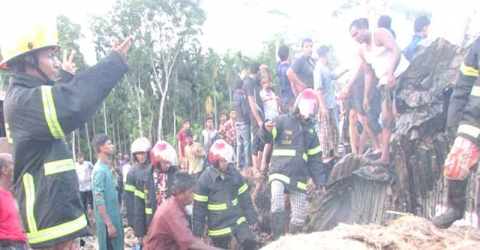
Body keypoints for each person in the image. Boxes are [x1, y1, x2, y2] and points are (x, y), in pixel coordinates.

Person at [0, 18, 131, 248]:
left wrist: (65, 79)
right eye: (50, 56)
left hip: (55, 216)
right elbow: (72, 105)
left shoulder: (26, 95)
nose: (55, 63)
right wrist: (113, 63)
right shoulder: (21, 100)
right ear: (30, 59)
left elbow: (63, 104)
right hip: (50, 218)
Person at [260, 89, 328, 239]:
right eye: (305, 109)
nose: (306, 114)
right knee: (277, 202)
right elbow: (266, 137)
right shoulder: (282, 121)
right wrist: (265, 128)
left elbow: (315, 159)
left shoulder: (311, 132)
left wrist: (320, 181)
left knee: (300, 216)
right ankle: (277, 239)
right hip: (279, 171)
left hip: (298, 177)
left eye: (310, 111)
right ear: (298, 106)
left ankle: (287, 240)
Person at [432, 38, 480, 229]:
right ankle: (455, 209)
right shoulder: (477, 46)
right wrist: (454, 123)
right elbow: (462, 86)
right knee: (455, 164)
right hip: (473, 118)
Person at [349, 18, 410, 164]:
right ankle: (385, 156)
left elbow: (396, 49)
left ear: (364, 28)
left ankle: (403, 150)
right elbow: (369, 73)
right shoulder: (362, 51)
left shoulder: (379, 34)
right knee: (386, 119)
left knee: (398, 112)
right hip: (383, 82)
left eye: (356, 34)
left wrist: (391, 73)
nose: (355, 38)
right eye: (353, 36)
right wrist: (366, 96)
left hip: (400, 75)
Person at [193, 140, 257, 250]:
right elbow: (199, 209)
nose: (226, 163)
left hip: (237, 220)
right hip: (218, 226)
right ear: (214, 161)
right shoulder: (204, 179)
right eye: (223, 160)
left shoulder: (234, 173)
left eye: (227, 160)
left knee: (249, 241)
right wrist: (197, 234)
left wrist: (252, 218)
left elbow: (245, 198)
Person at [143, 172, 222, 250]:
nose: (193, 195)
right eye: (190, 192)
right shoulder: (173, 211)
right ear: (180, 193)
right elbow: (187, 241)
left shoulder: (173, 204)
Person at [133, 141, 180, 246]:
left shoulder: (177, 175)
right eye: (165, 162)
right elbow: (138, 206)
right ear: (156, 162)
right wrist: (139, 231)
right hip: (153, 226)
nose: (168, 165)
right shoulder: (143, 177)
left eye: (169, 162)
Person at [314, 46, 349, 162]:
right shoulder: (318, 69)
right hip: (324, 106)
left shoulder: (326, 69)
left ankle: (335, 151)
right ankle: (324, 156)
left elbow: (334, 76)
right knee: (324, 132)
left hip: (331, 103)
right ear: (326, 54)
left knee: (334, 130)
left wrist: (345, 70)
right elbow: (318, 89)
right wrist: (323, 106)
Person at [92, 134, 124, 250]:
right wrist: (109, 224)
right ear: (101, 148)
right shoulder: (99, 170)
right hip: (107, 225)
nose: (113, 146)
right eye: (109, 144)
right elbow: (99, 200)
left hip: (114, 217)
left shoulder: (106, 167)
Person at [245, 63, 270, 171]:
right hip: (255, 115)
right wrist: (259, 119)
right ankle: (255, 168)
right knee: (256, 139)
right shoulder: (248, 83)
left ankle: (259, 165)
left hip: (261, 113)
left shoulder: (255, 82)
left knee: (262, 139)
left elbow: (268, 80)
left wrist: (267, 70)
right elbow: (251, 102)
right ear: (258, 72)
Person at [0, 153, 28, 250]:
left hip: (21, 244)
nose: (16, 167)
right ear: (4, 170)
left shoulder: (15, 194)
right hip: (7, 245)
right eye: (12, 163)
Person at [124, 137, 152, 231]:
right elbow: (129, 199)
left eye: (143, 153)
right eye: (138, 154)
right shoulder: (132, 172)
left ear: (148, 153)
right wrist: (133, 222)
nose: (140, 156)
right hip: (140, 216)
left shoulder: (154, 168)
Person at [259, 79, 281, 172]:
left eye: (270, 81)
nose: (269, 83)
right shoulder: (261, 94)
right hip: (268, 119)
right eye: (267, 82)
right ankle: (264, 162)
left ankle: (272, 162)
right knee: (269, 141)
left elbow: (276, 106)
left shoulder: (272, 93)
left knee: (276, 140)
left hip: (276, 117)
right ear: (263, 84)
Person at [234, 78, 252, 169]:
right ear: (242, 86)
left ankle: (238, 164)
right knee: (246, 144)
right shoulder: (243, 97)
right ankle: (247, 164)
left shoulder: (235, 96)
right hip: (244, 122)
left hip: (237, 122)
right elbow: (245, 111)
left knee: (239, 144)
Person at [275, 40, 295, 113]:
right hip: (291, 100)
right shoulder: (290, 69)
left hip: (283, 100)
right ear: (288, 55)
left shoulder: (278, 67)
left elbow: (277, 59)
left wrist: (277, 47)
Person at [76, 153, 94, 223]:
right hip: (81, 188)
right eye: (79, 158)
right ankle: (87, 219)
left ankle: (93, 218)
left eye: (82, 158)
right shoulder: (75, 165)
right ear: (77, 159)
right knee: (84, 204)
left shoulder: (88, 164)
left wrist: (91, 175)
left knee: (92, 203)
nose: (81, 159)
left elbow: (93, 168)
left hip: (89, 186)